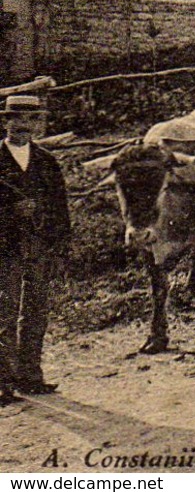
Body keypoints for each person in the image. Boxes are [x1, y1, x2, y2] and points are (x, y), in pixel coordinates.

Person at [0, 94, 70, 400]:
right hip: (5, 248)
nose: (23, 126)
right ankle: (3, 381)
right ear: (5, 122)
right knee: (4, 312)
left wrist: (60, 247)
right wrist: (11, 209)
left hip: (40, 246)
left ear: (37, 124)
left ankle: (30, 375)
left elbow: (60, 207)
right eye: (16, 119)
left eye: (29, 120)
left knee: (36, 312)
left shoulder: (46, 161)